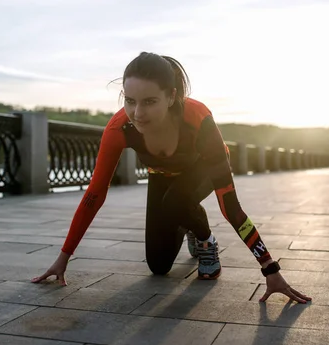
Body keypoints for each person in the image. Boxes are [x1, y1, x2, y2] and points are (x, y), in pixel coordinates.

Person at [32, 52, 312, 304]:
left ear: (171, 96)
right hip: (162, 174)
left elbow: (232, 208)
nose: (138, 114)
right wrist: (63, 258)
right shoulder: (119, 128)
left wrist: (270, 269)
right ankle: (187, 221)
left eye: (150, 102)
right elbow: (95, 194)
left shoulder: (198, 119)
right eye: (130, 101)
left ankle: (205, 240)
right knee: (158, 265)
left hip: (201, 168)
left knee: (176, 202)